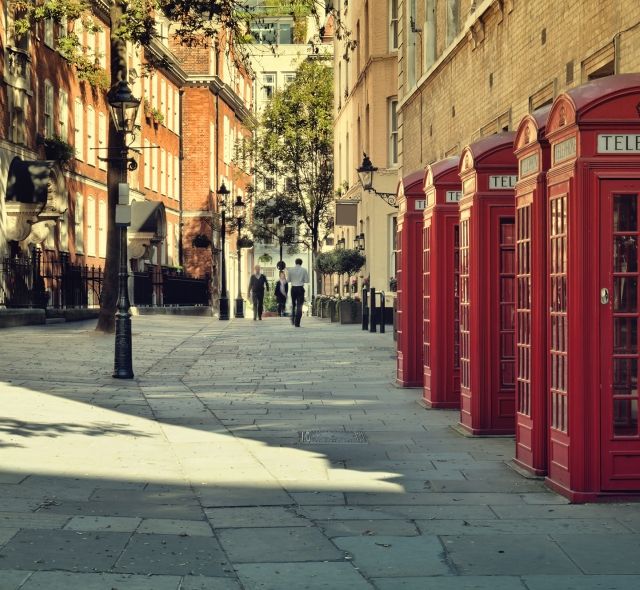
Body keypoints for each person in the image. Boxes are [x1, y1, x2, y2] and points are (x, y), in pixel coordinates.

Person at [287, 258, 309, 327]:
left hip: (293, 288)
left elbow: (288, 280)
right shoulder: (304, 270)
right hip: (300, 288)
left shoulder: (290, 270)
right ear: (301, 263)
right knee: (300, 306)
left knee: (293, 305)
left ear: (295, 262)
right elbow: (306, 280)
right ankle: (297, 322)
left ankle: (292, 318)